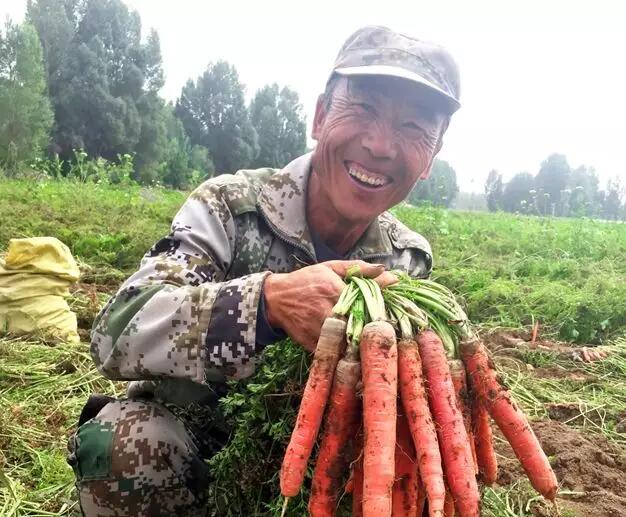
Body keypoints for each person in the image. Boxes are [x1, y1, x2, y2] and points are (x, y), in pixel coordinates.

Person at [67, 25, 461, 515]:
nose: (381, 146)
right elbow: (117, 331)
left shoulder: (407, 261)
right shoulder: (230, 208)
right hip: (197, 458)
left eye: (413, 128)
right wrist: (266, 305)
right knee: (123, 441)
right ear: (320, 116)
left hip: (314, 475)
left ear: (431, 158)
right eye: (364, 109)